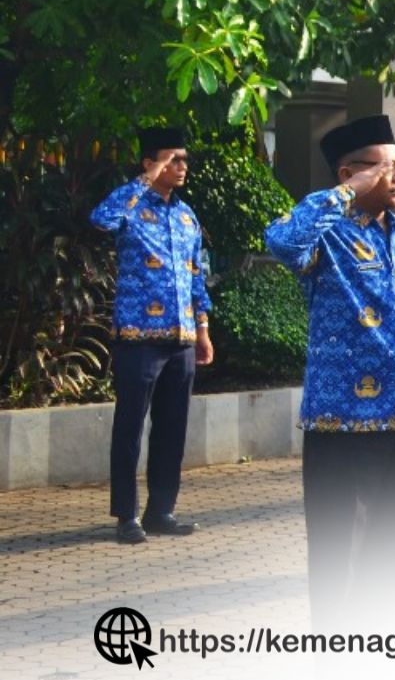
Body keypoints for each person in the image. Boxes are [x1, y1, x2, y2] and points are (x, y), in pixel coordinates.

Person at [265, 115, 395, 631]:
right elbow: (283, 241)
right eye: (384, 166)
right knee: (339, 550)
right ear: (350, 173)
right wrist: (345, 193)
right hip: (342, 420)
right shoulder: (327, 238)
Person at [93, 126, 212, 545]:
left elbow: (198, 274)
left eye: (184, 160)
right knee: (129, 426)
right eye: (172, 159)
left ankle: (161, 509)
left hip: (180, 337)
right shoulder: (129, 206)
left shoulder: (186, 216)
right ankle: (126, 515)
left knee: (172, 427)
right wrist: (144, 180)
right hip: (138, 336)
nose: (181, 167)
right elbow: (101, 219)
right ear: (149, 163)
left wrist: (202, 329)